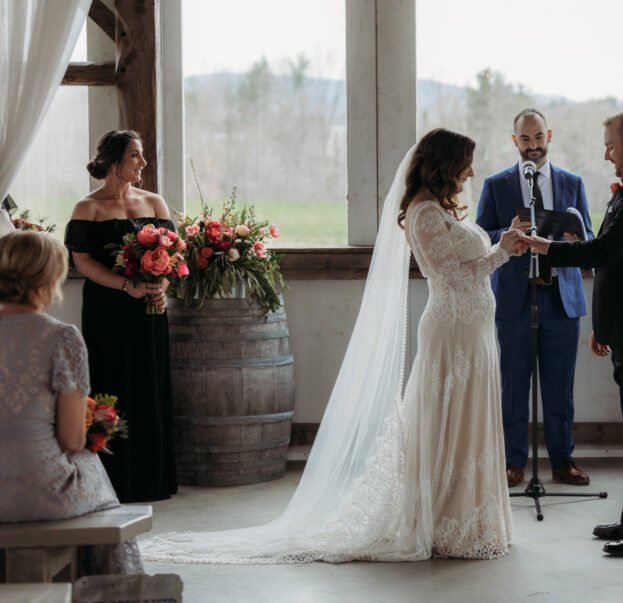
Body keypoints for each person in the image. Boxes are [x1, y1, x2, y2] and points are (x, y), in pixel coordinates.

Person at [142, 128, 524, 564]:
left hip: (473, 331)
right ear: (446, 163)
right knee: (448, 421)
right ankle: (443, 519)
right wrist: (502, 252)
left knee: (468, 419)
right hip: (452, 332)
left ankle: (470, 517)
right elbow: (450, 276)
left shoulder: (442, 209)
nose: (472, 171)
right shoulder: (423, 214)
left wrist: (500, 245)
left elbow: (464, 266)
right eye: (466, 162)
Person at [527, 110, 623, 558]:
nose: (606, 154)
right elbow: (617, 268)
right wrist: (605, 326)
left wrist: (546, 247)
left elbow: (605, 250)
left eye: (611, 145)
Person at [0, 231, 144, 575]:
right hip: (41, 490)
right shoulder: (61, 337)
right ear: (50, 277)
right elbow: (71, 440)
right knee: (89, 465)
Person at [477, 108, 594, 487]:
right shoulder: (496, 185)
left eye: (538, 137)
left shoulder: (572, 182)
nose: (533, 146)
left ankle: (562, 461)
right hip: (514, 298)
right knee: (513, 385)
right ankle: (513, 462)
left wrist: (577, 238)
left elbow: (589, 236)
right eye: (525, 139)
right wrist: (506, 233)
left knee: (560, 387)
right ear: (514, 141)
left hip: (560, 298)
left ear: (550, 136)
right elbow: (479, 238)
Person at [64, 129, 177, 503]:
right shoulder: (88, 208)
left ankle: (153, 478)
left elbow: (173, 254)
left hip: (149, 309)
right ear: (114, 161)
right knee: (113, 381)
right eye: (135, 156)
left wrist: (160, 286)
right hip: (107, 309)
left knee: (149, 381)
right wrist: (124, 285)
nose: (142, 163)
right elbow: (81, 261)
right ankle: (113, 478)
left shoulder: (155, 202)